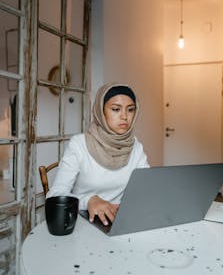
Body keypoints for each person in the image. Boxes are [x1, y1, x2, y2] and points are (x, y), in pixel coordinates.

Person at [47, 82, 149, 225]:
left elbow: (147, 187)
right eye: (115, 109)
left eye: (130, 109)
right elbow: (55, 194)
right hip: (83, 219)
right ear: (101, 111)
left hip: (120, 221)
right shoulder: (79, 144)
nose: (124, 116)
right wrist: (88, 200)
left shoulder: (136, 147)